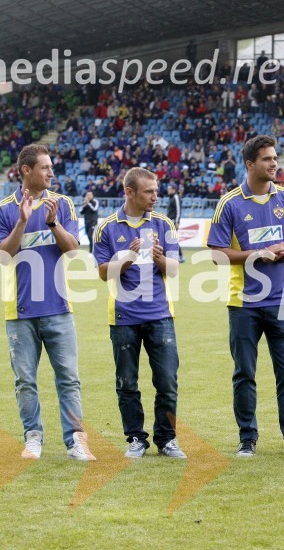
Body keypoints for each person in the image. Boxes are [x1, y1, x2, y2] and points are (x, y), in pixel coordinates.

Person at [207, 135, 284, 458]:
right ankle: (247, 439)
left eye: (275, 159)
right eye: (267, 159)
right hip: (243, 303)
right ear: (250, 164)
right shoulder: (229, 203)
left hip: (281, 302)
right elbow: (216, 254)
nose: (274, 164)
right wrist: (258, 254)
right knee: (245, 373)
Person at [0, 144, 95, 461]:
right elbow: (2, 256)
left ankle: (76, 441)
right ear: (26, 170)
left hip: (60, 309)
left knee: (68, 379)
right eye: (45, 167)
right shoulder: (4, 210)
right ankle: (33, 438)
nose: (51, 172)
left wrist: (52, 223)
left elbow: (74, 249)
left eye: (51, 167)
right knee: (25, 382)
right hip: (19, 312)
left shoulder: (62, 205)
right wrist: (22, 221)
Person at [92, 168, 185, 458]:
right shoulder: (107, 227)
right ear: (130, 192)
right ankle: (136, 438)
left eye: (156, 191)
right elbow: (103, 273)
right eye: (149, 192)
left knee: (167, 380)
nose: (155, 196)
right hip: (123, 317)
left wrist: (159, 259)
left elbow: (174, 269)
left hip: (159, 314)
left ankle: (167, 439)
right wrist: (128, 258)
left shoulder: (164, 224)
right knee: (127, 382)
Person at [166, 182, 184, 263]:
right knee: (171, 239)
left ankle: (180, 256)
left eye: (169, 189)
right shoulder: (171, 198)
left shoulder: (176, 197)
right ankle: (177, 255)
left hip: (173, 221)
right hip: (170, 221)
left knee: (172, 239)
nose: (168, 190)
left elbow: (178, 211)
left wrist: (177, 222)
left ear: (174, 189)